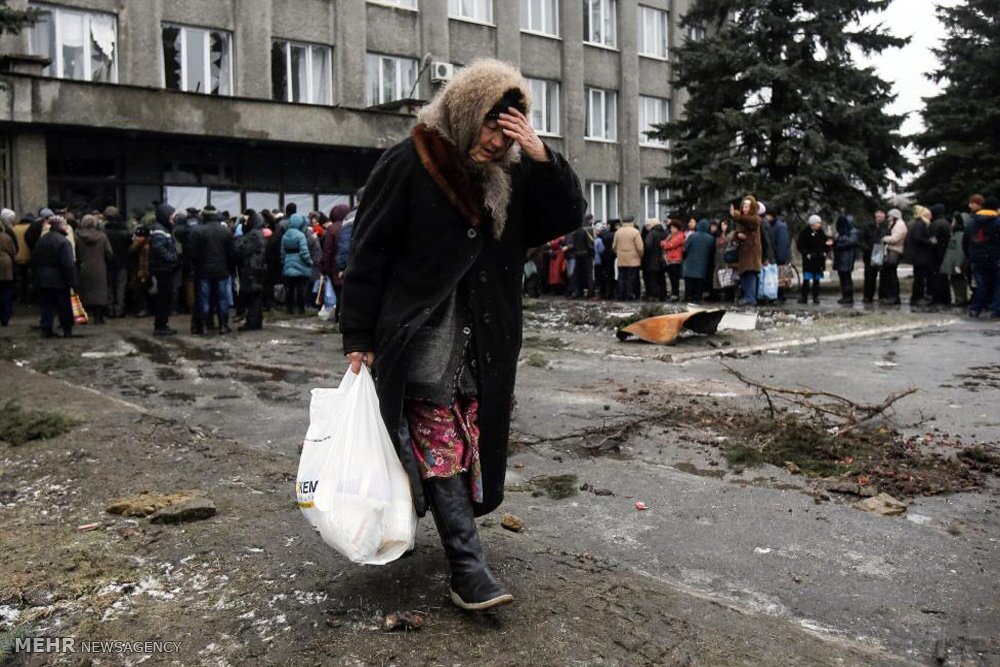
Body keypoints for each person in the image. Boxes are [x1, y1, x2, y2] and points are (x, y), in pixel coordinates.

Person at [340, 59, 585, 611]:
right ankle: (467, 571)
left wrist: (542, 155)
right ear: (466, 111)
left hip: (486, 337)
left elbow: (568, 213)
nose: (498, 144)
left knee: (468, 436)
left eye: (509, 132)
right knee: (439, 439)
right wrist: (357, 332)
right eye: (491, 128)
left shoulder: (516, 174)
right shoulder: (409, 161)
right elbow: (368, 253)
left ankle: (435, 521)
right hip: (425, 333)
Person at [189, 205, 236, 334]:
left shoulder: (197, 231)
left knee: (204, 298)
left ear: (204, 216)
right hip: (222, 270)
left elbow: (193, 254)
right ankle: (223, 325)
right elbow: (232, 252)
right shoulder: (226, 231)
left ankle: (203, 326)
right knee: (222, 298)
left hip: (203, 271)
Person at [31, 215, 76, 338]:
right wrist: (72, 280)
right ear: (60, 226)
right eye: (65, 225)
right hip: (59, 279)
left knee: (46, 305)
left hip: (42, 278)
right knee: (64, 305)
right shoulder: (64, 242)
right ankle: (67, 329)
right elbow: (67, 264)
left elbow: (34, 259)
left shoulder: (42, 240)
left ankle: (46, 328)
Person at [963, 195, 999, 318]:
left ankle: (975, 309)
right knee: (998, 284)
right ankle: (996, 310)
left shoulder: (971, 222)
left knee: (981, 284)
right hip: (996, 258)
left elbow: (965, 242)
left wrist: (970, 256)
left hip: (976, 258)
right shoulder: (998, 222)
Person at [74, 214, 113, 324]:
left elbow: (75, 253)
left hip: (84, 267)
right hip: (99, 267)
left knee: (84, 291)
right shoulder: (102, 236)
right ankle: (98, 316)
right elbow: (109, 253)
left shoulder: (77, 236)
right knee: (99, 292)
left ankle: (83, 316)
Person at [149, 204, 179, 336]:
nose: (173, 218)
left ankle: (162, 324)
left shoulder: (163, 228)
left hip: (163, 268)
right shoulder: (160, 230)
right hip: (163, 268)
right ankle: (161, 325)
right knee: (164, 298)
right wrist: (171, 257)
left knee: (165, 297)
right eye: (171, 215)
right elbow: (158, 248)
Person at [235, 209, 268, 331]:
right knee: (256, 296)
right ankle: (255, 321)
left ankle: (252, 322)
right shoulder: (259, 233)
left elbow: (242, 250)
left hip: (251, 269)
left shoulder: (253, 235)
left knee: (253, 297)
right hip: (257, 268)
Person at [730, 195, 762, 305]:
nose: (745, 208)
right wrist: (738, 235)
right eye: (744, 206)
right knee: (744, 275)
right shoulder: (743, 220)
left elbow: (751, 222)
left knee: (750, 274)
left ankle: (750, 298)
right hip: (743, 252)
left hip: (751, 253)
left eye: (747, 206)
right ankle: (748, 297)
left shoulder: (755, 218)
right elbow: (738, 232)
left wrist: (736, 216)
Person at [281, 213, 313, 314]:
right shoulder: (301, 235)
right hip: (300, 265)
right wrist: (309, 261)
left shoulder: (285, 235)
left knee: (289, 288)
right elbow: (304, 252)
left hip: (288, 263)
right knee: (300, 288)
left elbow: (282, 252)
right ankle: (301, 309)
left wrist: (284, 261)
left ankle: (289, 309)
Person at [797, 214, 832, 304]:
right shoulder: (805, 232)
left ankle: (815, 297)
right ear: (812, 224)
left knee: (817, 280)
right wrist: (806, 253)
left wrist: (825, 251)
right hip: (809, 259)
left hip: (818, 259)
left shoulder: (821, 233)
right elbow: (800, 245)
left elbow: (826, 243)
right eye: (817, 223)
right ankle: (804, 297)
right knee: (807, 279)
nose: (819, 225)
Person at [907, 205, 936, 306]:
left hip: (918, 255)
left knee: (919, 277)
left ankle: (916, 297)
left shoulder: (917, 223)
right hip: (920, 255)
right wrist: (930, 242)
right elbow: (917, 238)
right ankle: (917, 297)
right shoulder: (921, 224)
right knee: (919, 278)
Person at [878, 208, 907, 305]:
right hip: (893, 250)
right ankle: (891, 295)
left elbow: (895, 239)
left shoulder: (899, 225)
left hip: (895, 251)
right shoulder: (895, 224)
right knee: (890, 274)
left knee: (891, 274)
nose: (888, 218)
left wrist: (884, 238)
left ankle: (893, 296)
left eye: (890, 216)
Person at [682, 219, 714, 303]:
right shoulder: (710, 238)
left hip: (690, 263)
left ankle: (688, 297)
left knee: (689, 282)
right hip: (702, 264)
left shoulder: (692, 236)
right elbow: (712, 251)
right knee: (699, 283)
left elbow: (684, 248)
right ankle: (698, 298)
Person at [940, 213, 968, 308]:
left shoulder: (959, 235)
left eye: (953, 221)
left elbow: (959, 251)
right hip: (954, 263)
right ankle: (960, 299)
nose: (952, 223)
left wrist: (957, 264)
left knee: (958, 281)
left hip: (956, 264)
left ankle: (960, 299)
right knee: (956, 281)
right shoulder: (956, 234)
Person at [613, 217, 643, 301]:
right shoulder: (635, 232)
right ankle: (629, 295)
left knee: (621, 278)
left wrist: (619, 253)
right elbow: (640, 247)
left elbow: (614, 246)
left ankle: (621, 295)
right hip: (633, 259)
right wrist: (640, 255)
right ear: (632, 222)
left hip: (621, 259)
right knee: (631, 278)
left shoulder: (618, 232)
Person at [928, 204, 952, 305]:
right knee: (944, 277)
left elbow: (932, 239)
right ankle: (946, 298)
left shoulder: (935, 224)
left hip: (936, 253)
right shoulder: (946, 223)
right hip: (944, 252)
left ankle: (937, 299)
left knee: (936, 277)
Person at [832, 215, 859, 305]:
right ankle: (845, 295)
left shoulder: (852, 232)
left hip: (847, 257)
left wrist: (838, 243)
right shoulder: (843, 233)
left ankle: (848, 296)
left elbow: (852, 241)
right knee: (843, 277)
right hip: (842, 257)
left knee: (846, 277)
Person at [858, 210, 883, 303]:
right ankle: (868, 296)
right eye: (877, 214)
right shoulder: (868, 226)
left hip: (881, 252)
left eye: (881, 214)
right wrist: (866, 248)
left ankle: (882, 296)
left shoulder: (886, 226)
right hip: (870, 253)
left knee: (884, 276)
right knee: (869, 276)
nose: (879, 216)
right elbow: (861, 239)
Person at [768, 210, 791, 303]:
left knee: (780, 279)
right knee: (777, 278)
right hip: (776, 256)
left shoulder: (780, 227)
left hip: (779, 257)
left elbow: (782, 243)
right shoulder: (775, 226)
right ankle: (778, 296)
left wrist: (781, 257)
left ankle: (780, 297)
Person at [641, 218, 667, 301]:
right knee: (661, 278)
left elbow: (647, 246)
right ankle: (663, 294)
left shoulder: (651, 234)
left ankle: (653, 295)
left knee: (652, 278)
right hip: (662, 259)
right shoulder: (664, 233)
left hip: (651, 259)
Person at [660, 220, 684, 301]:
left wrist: (665, 244)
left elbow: (669, 245)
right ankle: (674, 293)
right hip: (670, 259)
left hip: (675, 260)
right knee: (672, 278)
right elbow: (662, 243)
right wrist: (665, 244)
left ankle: (675, 294)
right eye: (671, 228)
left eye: (673, 228)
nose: (671, 229)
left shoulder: (680, 236)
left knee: (674, 279)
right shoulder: (671, 236)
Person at [12, 212, 33, 304]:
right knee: (28, 279)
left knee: (19, 279)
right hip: (29, 257)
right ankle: (28, 299)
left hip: (17, 257)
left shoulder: (14, 228)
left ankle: (19, 297)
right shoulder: (30, 228)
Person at [0, 216, 15, 325]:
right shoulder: (6, 237)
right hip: (6, 265)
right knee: (5, 291)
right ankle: (5, 317)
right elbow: (13, 250)